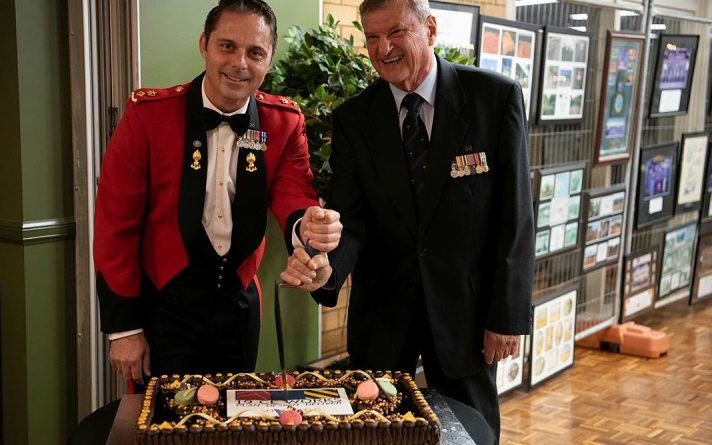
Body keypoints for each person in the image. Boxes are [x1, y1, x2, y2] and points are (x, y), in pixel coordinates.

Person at [281, 0, 534, 441]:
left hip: (466, 314)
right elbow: (351, 220)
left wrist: (508, 315)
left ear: (430, 28)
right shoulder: (354, 118)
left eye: (395, 32)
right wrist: (325, 268)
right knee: (375, 433)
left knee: (471, 434)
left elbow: (515, 217)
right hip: (383, 316)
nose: (383, 48)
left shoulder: (494, 99)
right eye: (372, 37)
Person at [93, 0, 341, 387]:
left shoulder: (284, 123)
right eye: (227, 46)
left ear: (269, 60)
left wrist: (309, 233)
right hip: (164, 306)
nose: (240, 62)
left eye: (255, 52)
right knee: (161, 425)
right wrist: (124, 328)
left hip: (239, 305)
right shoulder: (148, 116)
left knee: (232, 421)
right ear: (204, 45)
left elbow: (294, 199)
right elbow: (114, 225)